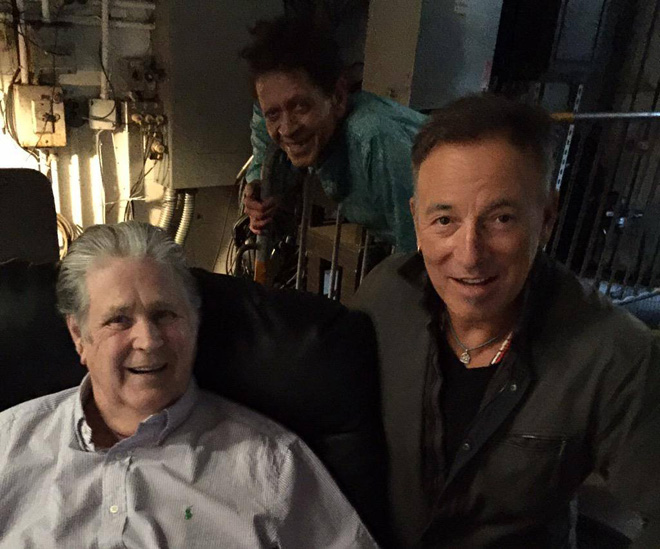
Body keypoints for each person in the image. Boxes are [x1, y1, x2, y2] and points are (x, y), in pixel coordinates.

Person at [351, 94, 660, 547]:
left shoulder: (615, 354)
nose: (469, 255)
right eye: (445, 220)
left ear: (547, 218)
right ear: (416, 221)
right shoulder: (385, 298)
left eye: (501, 219)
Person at [0, 221, 377, 548]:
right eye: (119, 320)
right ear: (79, 336)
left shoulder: (272, 464)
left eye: (165, 314)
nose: (149, 341)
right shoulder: (8, 445)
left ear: (195, 324)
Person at [240, 16, 427, 253]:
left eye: (301, 107)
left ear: (338, 97)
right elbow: (262, 129)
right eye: (274, 114)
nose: (287, 128)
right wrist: (258, 184)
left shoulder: (375, 141)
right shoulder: (277, 113)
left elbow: (424, 251)